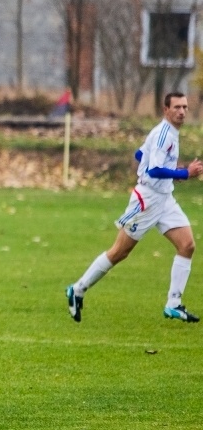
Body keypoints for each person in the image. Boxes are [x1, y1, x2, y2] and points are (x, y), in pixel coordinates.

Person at [66, 92, 203, 323]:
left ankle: (173, 304)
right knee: (119, 252)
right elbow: (153, 169)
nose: (182, 111)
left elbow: (140, 154)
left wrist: (172, 171)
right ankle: (77, 289)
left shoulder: (167, 133)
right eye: (177, 107)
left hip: (164, 199)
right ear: (165, 110)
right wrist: (183, 173)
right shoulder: (163, 134)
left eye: (185, 107)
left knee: (187, 245)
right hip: (147, 201)